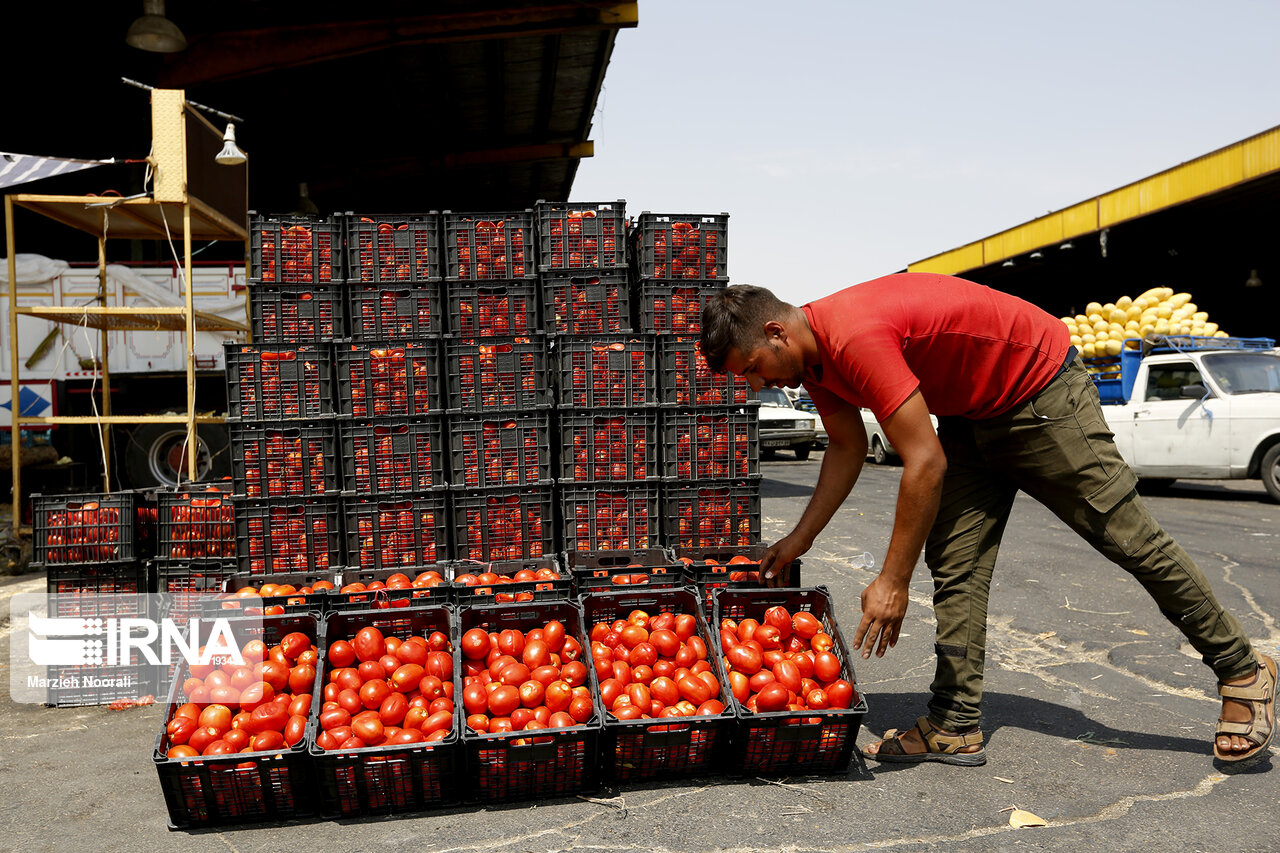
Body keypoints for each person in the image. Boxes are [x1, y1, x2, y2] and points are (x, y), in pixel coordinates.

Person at [699, 273, 1275, 766]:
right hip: (973, 414)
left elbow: (924, 463)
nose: (755, 385)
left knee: (1129, 539)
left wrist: (892, 579)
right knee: (956, 560)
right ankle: (955, 721)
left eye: (752, 368)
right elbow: (847, 447)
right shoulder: (815, 363)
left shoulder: (854, 336)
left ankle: (1243, 670)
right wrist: (800, 539)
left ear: (776, 332)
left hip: (1039, 393)